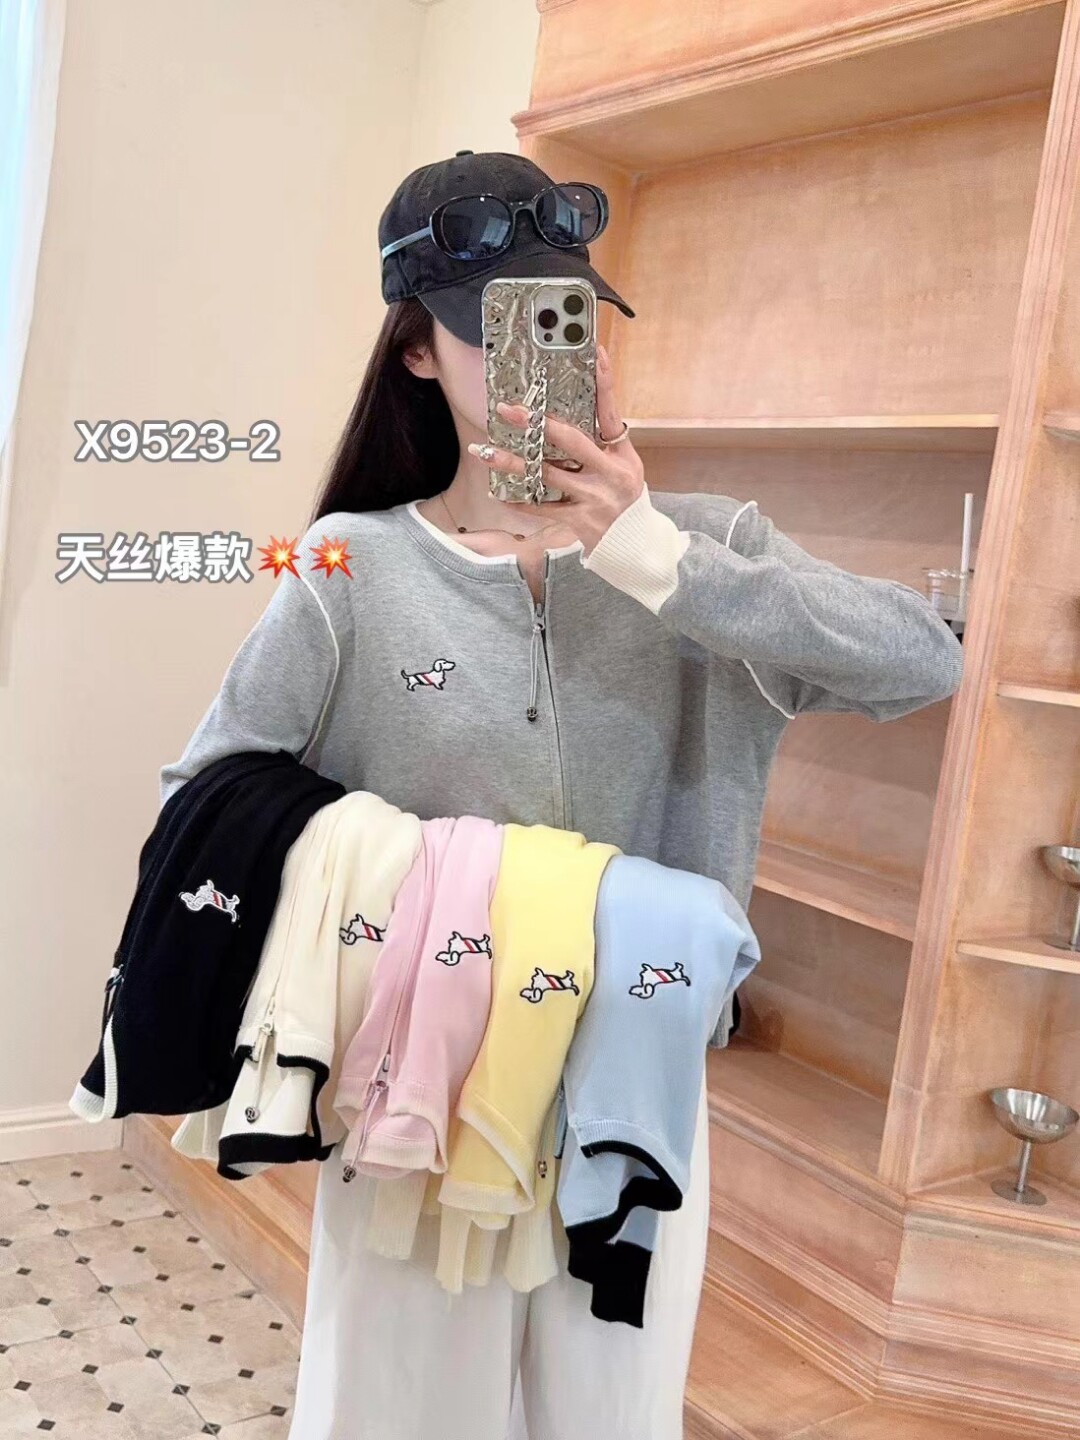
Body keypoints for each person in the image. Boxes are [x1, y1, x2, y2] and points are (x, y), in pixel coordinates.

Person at [158, 150, 965, 1440]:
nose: (546, 358)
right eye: (498, 331)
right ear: (416, 349)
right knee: (397, 1415)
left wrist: (660, 559)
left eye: (569, 322)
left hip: (635, 1088)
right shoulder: (348, 567)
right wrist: (425, 883)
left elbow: (922, 661)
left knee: (609, 1418)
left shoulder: (708, 548)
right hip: (419, 1083)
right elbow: (203, 797)